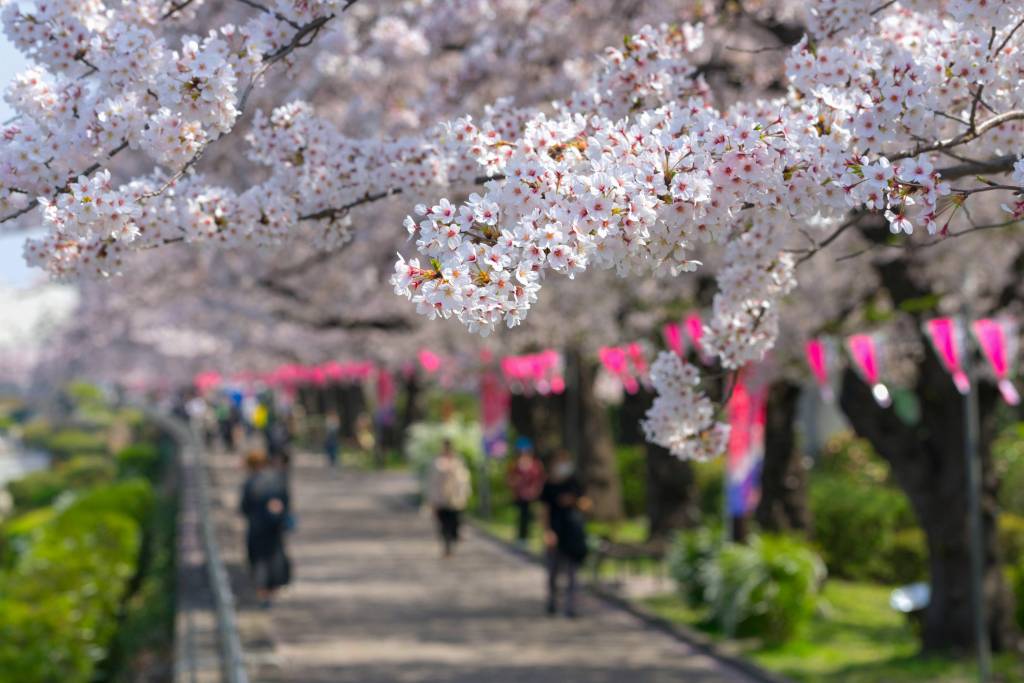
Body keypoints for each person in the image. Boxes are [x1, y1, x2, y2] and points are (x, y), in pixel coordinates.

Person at [540, 448, 590, 618]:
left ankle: (571, 607)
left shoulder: (575, 482)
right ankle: (552, 602)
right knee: (553, 571)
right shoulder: (549, 485)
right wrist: (547, 531)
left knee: (572, 573)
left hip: (573, 533)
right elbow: (544, 509)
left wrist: (575, 500)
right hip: (556, 531)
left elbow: (587, 504)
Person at [240, 450, 291, 607]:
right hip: (274, 529)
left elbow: (244, 508)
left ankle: (263, 595)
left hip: (256, 529)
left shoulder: (250, 483)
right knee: (274, 559)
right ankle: (272, 592)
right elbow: (286, 503)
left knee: (259, 562)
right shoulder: (277, 479)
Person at [427, 439, 472, 557]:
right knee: (444, 525)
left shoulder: (458, 462)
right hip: (441, 500)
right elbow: (432, 483)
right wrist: (432, 500)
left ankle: (453, 540)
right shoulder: (437, 463)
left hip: (456, 500)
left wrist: (465, 495)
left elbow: (464, 480)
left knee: (455, 524)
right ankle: (447, 548)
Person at [506, 436, 546, 545]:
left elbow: (540, 479)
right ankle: (521, 536)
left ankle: (534, 536)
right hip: (520, 495)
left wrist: (537, 490)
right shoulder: (514, 464)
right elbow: (509, 479)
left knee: (533, 516)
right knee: (522, 516)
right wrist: (515, 483)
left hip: (532, 495)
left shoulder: (535, 464)